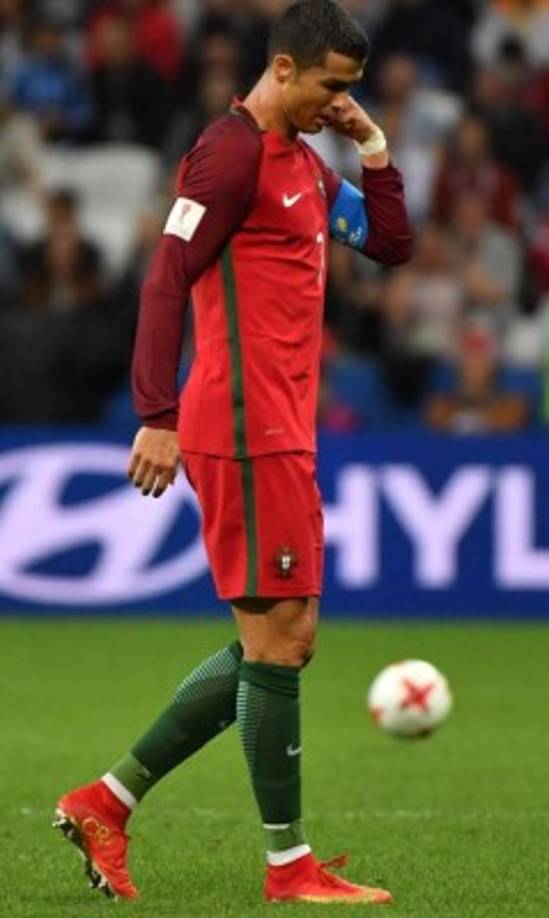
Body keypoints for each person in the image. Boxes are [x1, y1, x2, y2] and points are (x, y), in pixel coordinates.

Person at [54, 0, 412, 906]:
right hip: (241, 428)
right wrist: (156, 412)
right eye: (332, 85)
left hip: (284, 430)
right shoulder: (231, 154)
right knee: (279, 641)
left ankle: (106, 800)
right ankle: (288, 867)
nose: (340, 100)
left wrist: (371, 146)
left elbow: (392, 245)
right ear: (283, 69)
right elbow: (166, 275)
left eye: (352, 90)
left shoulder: (304, 165)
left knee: (280, 641)